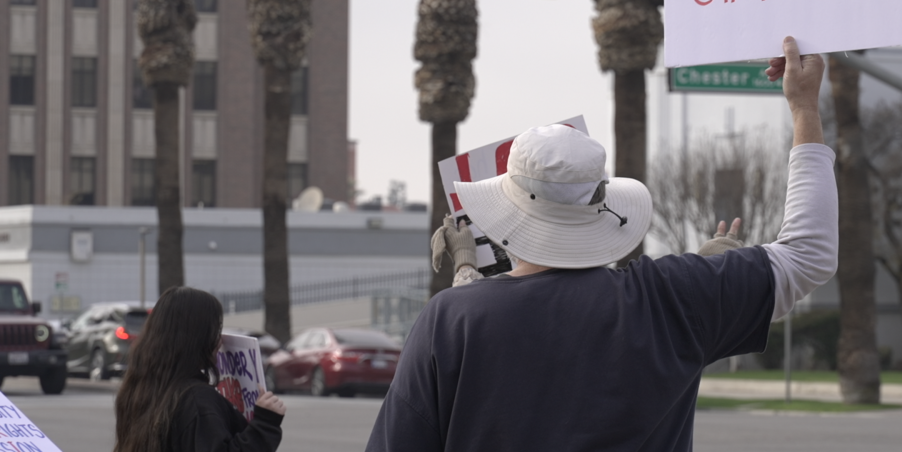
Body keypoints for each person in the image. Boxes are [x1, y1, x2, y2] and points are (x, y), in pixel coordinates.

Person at [366, 36, 837, 451]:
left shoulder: (453, 319)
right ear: (603, 207)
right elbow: (809, 253)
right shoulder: (674, 298)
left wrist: (469, 279)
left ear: (504, 216)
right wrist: (804, 108)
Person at [114, 286, 287, 452]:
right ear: (199, 338)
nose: (220, 341)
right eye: (215, 330)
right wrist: (265, 423)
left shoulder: (140, 388)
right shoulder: (198, 400)